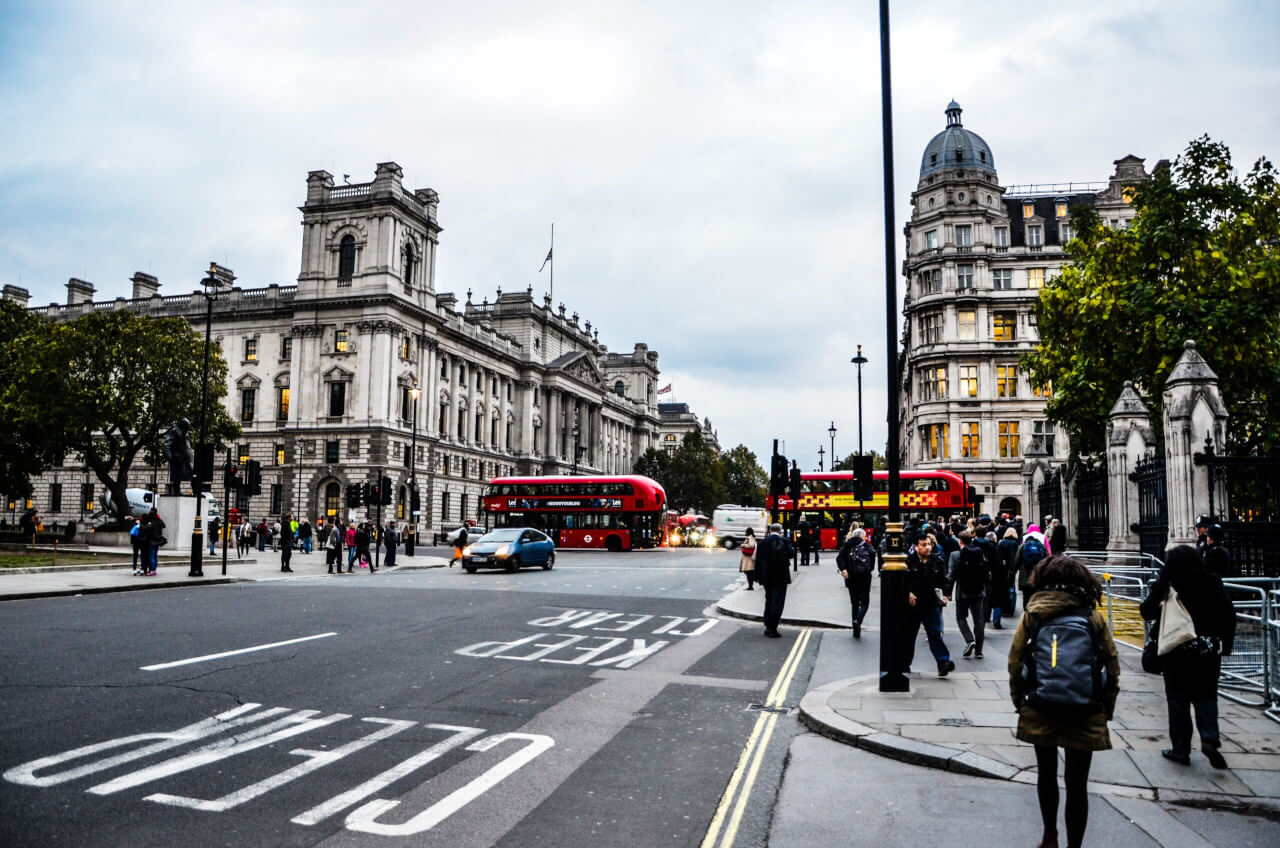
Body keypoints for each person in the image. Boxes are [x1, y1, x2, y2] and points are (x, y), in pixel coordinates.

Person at [1008, 554, 1120, 848]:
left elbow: (1016, 661)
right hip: (1085, 708)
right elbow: (1111, 665)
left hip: (1040, 704)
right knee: (1077, 782)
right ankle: (1074, 845)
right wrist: (1105, 708)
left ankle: (1049, 835)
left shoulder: (1033, 614)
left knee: (1046, 773)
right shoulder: (1091, 616)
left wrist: (1020, 702)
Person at [1140, 545, 1236, 768]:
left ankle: (1181, 749)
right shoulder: (1212, 580)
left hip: (1177, 649)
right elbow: (1228, 614)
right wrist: (1226, 645)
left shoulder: (1167, 583)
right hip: (1207, 649)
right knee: (1206, 695)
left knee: (1177, 699)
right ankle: (1210, 738)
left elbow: (1146, 611)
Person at [905, 533, 954, 676]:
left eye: (929, 544)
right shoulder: (909, 562)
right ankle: (905, 664)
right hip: (913, 605)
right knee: (909, 635)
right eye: (924, 545)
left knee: (935, 633)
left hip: (931, 603)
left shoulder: (937, 561)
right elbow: (901, 581)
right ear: (916, 547)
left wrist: (945, 594)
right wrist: (907, 593)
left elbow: (943, 580)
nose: (928, 548)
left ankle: (943, 662)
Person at [947, 530, 989, 659]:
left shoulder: (955, 555)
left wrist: (947, 592)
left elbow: (951, 575)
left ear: (960, 541)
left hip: (963, 592)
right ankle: (979, 651)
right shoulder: (979, 552)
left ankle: (970, 640)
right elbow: (987, 572)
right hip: (978, 591)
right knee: (979, 620)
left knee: (961, 617)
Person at [754, 523, 792, 637]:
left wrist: (757, 576)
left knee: (769, 600)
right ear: (780, 531)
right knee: (778, 602)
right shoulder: (784, 541)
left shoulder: (762, 543)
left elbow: (758, 561)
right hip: (780, 577)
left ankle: (767, 625)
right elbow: (792, 554)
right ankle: (772, 627)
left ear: (770, 531)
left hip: (766, 577)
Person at [838, 527, 875, 638]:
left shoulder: (847, 545)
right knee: (864, 603)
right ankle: (858, 620)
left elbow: (839, 558)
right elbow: (872, 560)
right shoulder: (867, 546)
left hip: (851, 577)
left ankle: (856, 630)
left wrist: (844, 569)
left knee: (854, 603)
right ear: (863, 536)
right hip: (864, 577)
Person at [1015, 524, 1050, 611]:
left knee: (1026, 595)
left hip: (1025, 574)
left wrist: (1015, 569)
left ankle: (1026, 612)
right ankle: (1036, 610)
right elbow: (1048, 556)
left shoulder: (1024, 542)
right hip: (1038, 573)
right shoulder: (1042, 540)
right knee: (1037, 594)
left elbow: (1018, 559)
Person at [994, 526, 1020, 627]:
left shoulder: (1001, 542)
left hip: (1001, 570)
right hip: (1009, 570)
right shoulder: (1014, 543)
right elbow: (1013, 557)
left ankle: (999, 613)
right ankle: (1009, 606)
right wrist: (1013, 569)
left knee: (1000, 591)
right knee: (1010, 588)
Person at [142, 508, 165, 575]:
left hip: (151, 541)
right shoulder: (159, 521)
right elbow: (164, 525)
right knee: (155, 555)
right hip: (158, 541)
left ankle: (151, 570)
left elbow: (146, 528)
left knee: (151, 555)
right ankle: (154, 569)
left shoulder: (151, 523)